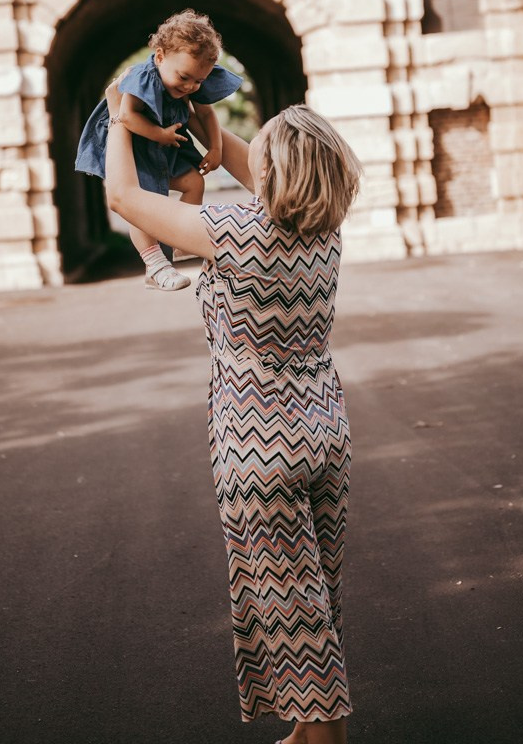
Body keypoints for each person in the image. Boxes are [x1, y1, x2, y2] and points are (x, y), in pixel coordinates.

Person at [104, 72, 362, 744]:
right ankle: (308, 733)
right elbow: (267, 167)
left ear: (279, 172)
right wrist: (193, 118)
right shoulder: (325, 229)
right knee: (316, 594)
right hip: (324, 429)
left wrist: (115, 119)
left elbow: (123, 197)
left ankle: (327, 740)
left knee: (288, 601)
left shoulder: (235, 232)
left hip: (257, 441)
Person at [75, 10, 241, 290]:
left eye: (199, 81)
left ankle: (182, 238)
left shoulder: (192, 78)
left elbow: (206, 115)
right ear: (161, 56)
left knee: (193, 182)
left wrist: (216, 147)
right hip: (137, 149)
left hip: (165, 151)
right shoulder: (144, 77)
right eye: (184, 77)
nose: (191, 86)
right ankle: (154, 264)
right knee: (139, 202)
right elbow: (126, 115)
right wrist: (158, 133)